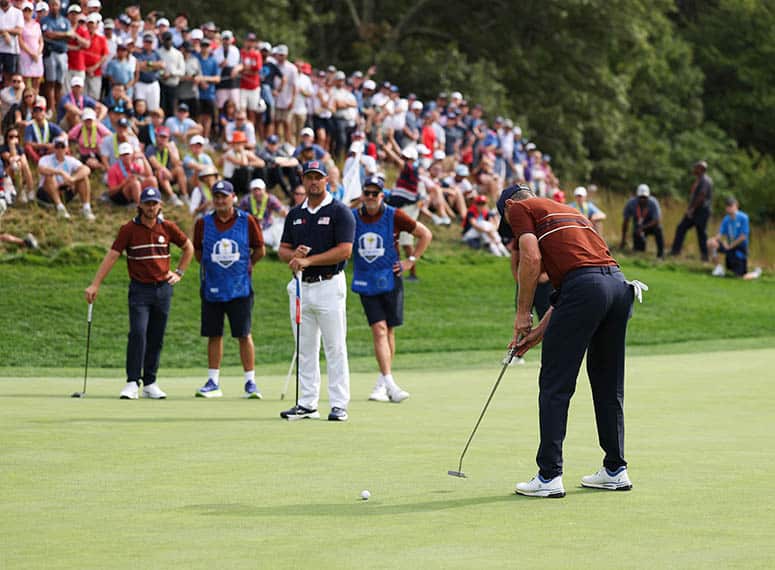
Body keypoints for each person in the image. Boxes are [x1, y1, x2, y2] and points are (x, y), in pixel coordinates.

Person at [499, 185, 642, 498]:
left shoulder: (520, 208)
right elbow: (578, 285)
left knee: (554, 384)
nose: (513, 226)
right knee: (607, 384)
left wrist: (522, 313)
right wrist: (537, 334)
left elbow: (531, 257)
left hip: (588, 288)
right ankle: (615, 469)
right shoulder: (571, 211)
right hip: (618, 287)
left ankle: (549, 475)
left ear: (510, 205)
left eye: (508, 223)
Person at [85, 186, 194, 400]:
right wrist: (95, 284)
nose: (151, 207)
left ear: (160, 205)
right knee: (138, 333)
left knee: (156, 337)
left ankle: (150, 382)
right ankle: (132, 382)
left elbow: (188, 247)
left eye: (154, 203)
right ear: (140, 205)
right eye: (147, 203)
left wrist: (179, 272)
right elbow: (112, 256)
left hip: (163, 289)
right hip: (140, 290)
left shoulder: (168, 227)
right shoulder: (128, 229)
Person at [278, 160, 355, 422]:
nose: (313, 182)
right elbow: (283, 250)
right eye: (309, 177)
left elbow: (345, 250)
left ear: (326, 180)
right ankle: (307, 403)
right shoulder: (295, 214)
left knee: (335, 347)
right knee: (305, 348)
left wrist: (309, 260)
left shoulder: (339, 211)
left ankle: (339, 404)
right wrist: (294, 256)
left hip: (329, 285)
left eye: (318, 177)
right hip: (301, 287)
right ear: (303, 180)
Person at [351, 175, 432, 403]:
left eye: (374, 193)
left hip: (390, 278)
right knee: (379, 330)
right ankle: (390, 384)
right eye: (366, 193)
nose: (370, 197)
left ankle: (381, 383)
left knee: (389, 330)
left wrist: (411, 260)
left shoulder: (394, 215)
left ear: (382, 195)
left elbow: (425, 234)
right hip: (366, 280)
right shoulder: (353, 217)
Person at [193, 179, 266, 399]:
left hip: (240, 287)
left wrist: (249, 264)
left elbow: (260, 249)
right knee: (214, 334)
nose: (220, 200)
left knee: (243, 334)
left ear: (233, 197)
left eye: (224, 196)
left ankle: (250, 382)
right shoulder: (203, 223)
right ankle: (213, 381)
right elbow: (198, 252)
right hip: (212, 286)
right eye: (216, 196)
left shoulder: (247, 220)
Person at [36, 135, 94, 220]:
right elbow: (41, 169)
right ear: (53, 148)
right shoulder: (45, 159)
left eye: (62, 147)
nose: (59, 150)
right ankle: (60, 208)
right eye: (57, 147)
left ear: (66, 148)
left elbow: (86, 169)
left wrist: (73, 179)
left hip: (64, 190)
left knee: (83, 177)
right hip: (47, 192)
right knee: (49, 176)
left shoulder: (71, 160)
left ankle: (86, 208)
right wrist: (60, 173)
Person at [707, 196, 761, 280]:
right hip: (729, 245)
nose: (729, 208)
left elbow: (743, 236)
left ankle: (756, 273)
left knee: (741, 277)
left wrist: (730, 245)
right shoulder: (726, 219)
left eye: (731, 206)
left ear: (736, 206)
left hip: (739, 247)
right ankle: (718, 268)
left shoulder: (744, 217)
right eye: (727, 206)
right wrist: (715, 239)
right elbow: (720, 234)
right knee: (711, 242)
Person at [670, 160, 713, 260]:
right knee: (681, 227)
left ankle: (705, 256)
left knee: (701, 233)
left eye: (696, 167)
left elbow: (701, 197)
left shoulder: (705, 181)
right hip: (695, 211)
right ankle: (675, 251)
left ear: (701, 169)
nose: (694, 169)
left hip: (701, 212)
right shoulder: (699, 180)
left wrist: (691, 209)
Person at [238, 177, 287, 251]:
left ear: (264, 190)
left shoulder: (270, 199)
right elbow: (239, 215)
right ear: (251, 191)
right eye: (255, 190)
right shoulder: (246, 200)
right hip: (251, 229)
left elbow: (282, 211)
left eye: (259, 190)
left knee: (280, 227)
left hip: (267, 228)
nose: (257, 193)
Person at [621, 184, 664, 258]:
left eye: (644, 197)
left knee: (659, 228)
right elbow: (626, 221)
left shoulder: (653, 202)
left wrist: (643, 228)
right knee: (639, 251)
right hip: (637, 227)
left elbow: (657, 220)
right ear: (637, 196)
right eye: (640, 197)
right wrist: (623, 239)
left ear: (648, 196)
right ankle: (640, 255)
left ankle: (660, 255)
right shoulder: (631, 203)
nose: (642, 199)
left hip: (650, 226)